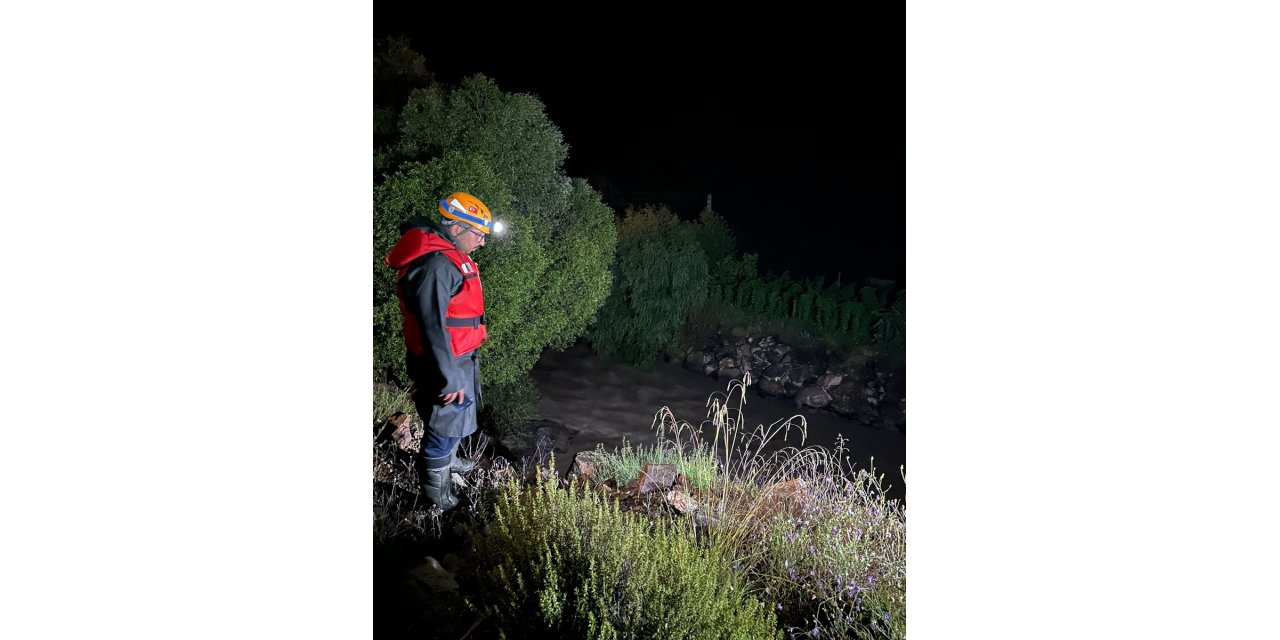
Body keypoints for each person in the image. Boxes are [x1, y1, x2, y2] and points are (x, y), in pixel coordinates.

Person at [383, 191, 493, 511]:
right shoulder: (435, 264)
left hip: (459, 357)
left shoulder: (449, 255)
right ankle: (438, 498)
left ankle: (451, 461)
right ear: (456, 229)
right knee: (442, 428)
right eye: (478, 234)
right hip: (442, 363)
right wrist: (449, 378)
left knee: (456, 420)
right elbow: (433, 327)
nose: (482, 243)